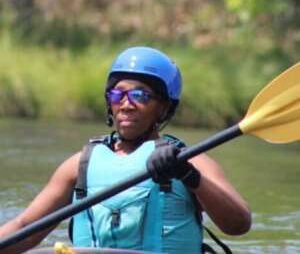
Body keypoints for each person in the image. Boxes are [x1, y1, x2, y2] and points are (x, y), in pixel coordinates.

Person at [0, 47, 251, 254]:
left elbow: (239, 223)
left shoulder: (190, 160)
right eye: (118, 94)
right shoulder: (78, 166)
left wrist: (188, 176)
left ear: (163, 108)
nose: (126, 105)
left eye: (140, 95)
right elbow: (24, 227)